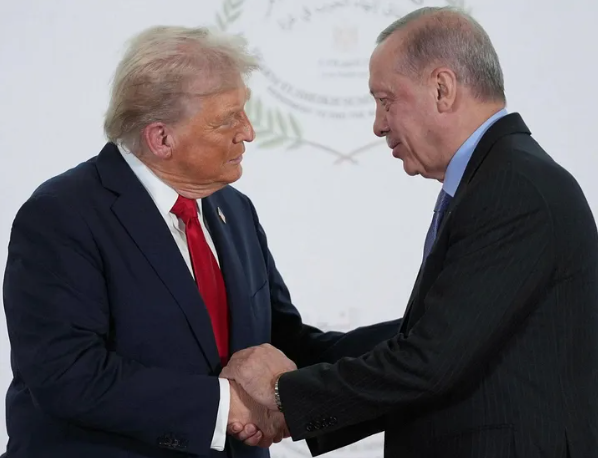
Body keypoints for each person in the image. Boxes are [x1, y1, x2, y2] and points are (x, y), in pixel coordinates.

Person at [1, 26, 399, 458]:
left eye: (244, 111)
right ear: (161, 138)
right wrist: (224, 405)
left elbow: (284, 346)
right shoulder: (62, 215)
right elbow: (67, 375)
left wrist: (420, 335)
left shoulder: (234, 209)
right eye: (228, 118)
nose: (248, 132)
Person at [221, 7, 598, 458]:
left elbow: (430, 361)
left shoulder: (513, 189)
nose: (378, 124)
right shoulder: (501, 179)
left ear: (442, 89)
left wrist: (282, 394)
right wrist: (300, 376)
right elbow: (436, 343)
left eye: (385, 100)